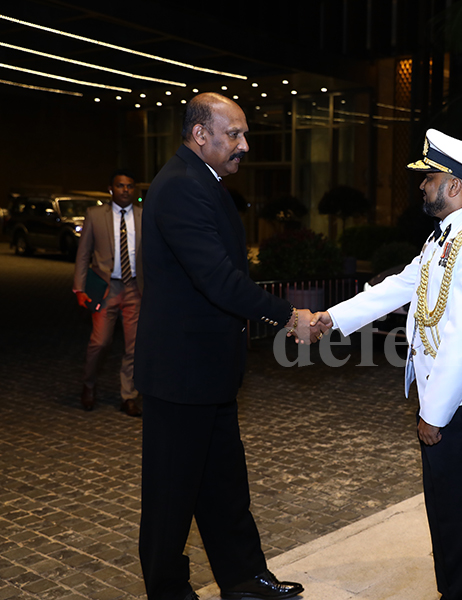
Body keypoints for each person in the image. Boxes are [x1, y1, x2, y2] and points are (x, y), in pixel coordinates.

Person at [311, 129, 462, 600]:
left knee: (460, 515)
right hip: (448, 399)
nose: (422, 185)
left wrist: (433, 413)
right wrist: (330, 318)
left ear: (455, 186)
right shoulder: (447, 238)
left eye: (429, 177)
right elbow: (401, 285)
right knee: (445, 510)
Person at [134, 93, 313, 600]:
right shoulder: (180, 188)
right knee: (172, 496)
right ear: (200, 135)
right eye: (233, 134)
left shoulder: (205, 183)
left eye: (243, 134)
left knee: (225, 487)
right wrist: (290, 315)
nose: (244, 145)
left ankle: (243, 579)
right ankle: (168, 591)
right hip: (179, 375)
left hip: (208, 373)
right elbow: (218, 280)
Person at [73, 169, 143, 417]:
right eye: (121, 186)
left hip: (135, 288)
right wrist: (79, 288)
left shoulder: (144, 216)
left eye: (130, 186)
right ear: (111, 189)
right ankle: (88, 385)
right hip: (106, 288)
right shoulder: (95, 215)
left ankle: (128, 396)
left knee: (135, 347)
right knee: (100, 342)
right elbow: (83, 254)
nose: (126, 190)